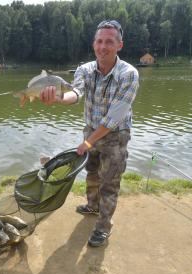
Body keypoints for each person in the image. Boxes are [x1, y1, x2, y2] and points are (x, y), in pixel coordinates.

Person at [39, 20, 139, 247]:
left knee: (109, 184)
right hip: (91, 131)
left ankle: (103, 227)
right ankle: (92, 206)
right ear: (94, 44)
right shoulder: (85, 69)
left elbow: (114, 118)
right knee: (92, 174)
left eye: (109, 42)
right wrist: (59, 98)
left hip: (115, 136)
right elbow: (76, 93)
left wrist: (87, 142)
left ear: (119, 45)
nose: (103, 46)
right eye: (99, 41)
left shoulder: (129, 74)